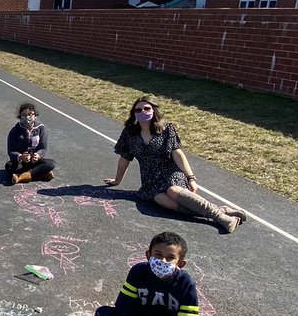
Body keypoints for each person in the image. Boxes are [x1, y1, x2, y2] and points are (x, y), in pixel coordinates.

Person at [104, 96, 246, 233]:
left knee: (173, 190)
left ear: (154, 111)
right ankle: (223, 210)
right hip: (151, 179)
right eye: (138, 110)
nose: (143, 112)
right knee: (165, 202)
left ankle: (222, 218)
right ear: (133, 113)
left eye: (146, 108)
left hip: (171, 171)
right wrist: (118, 180)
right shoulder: (130, 133)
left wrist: (191, 178)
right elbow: (125, 159)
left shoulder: (167, 129)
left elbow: (178, 154)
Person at [5, 102, 56, 185]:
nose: (27, 117)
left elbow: (43, 148)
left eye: (30, 114)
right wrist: (20, 156)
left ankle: (21, 176)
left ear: (35, 116)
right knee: (9, 166)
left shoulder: (41, 129)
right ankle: (40, 174)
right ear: (20, 117)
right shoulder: (15, 131)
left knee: (51, 163)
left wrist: (38, 155)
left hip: (34, 161)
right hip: (21, 162)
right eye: (24, 115)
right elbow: (11, 151)